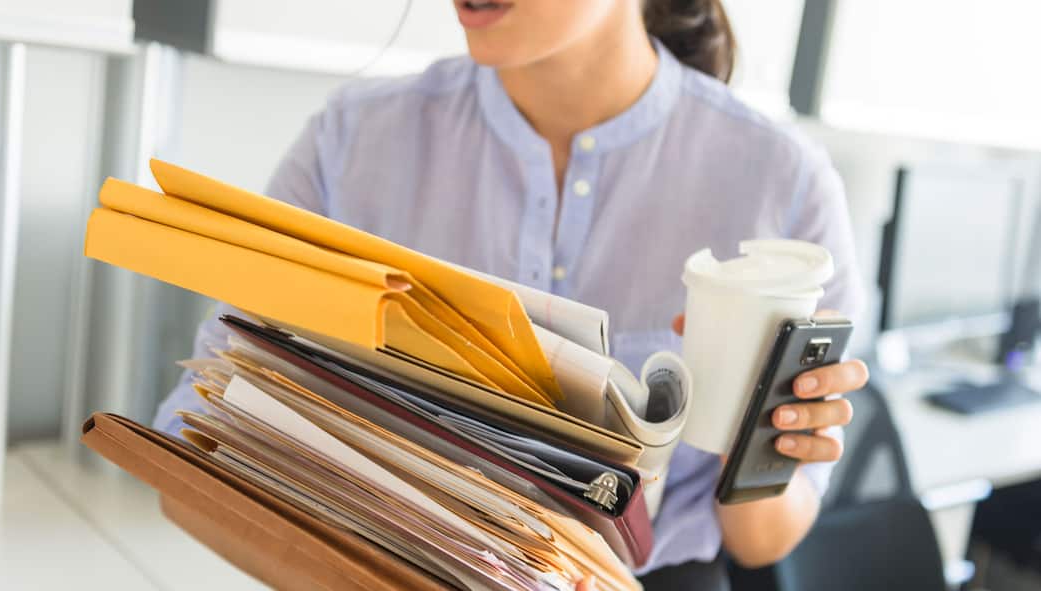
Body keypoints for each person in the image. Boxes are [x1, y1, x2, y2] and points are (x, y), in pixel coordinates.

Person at [155, 0, 870, 588]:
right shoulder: (351, 144)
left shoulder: (784, 188)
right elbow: (196, 447)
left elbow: (760, 542)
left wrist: (761, 444)